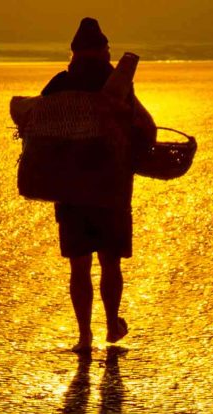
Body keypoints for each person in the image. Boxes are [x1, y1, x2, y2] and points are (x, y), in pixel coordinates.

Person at [42, 18, 156, 356]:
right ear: (103, 51)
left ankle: (84, 336)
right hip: (111, 189)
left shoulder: (59, 84)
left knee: (79, 267)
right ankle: (111, 325)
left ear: (74, 53)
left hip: (70, 190)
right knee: (110, 263)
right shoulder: (116, 84)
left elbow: (38, 127)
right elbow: (145, 128)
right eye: (107, 49)